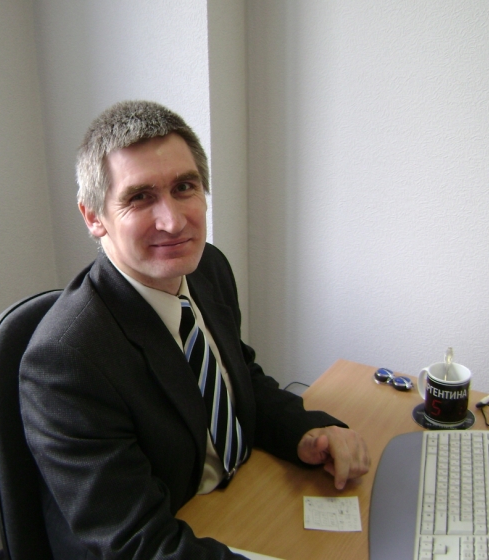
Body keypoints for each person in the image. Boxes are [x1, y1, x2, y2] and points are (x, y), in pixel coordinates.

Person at [19, 100, 370, 559]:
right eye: (140, 197)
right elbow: (137, 544)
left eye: (184, 187)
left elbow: (239, 379)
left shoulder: (208, 269)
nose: (173, 221)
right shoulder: (66, 361)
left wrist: (307, 432)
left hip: (233, 500)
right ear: (94, 217)